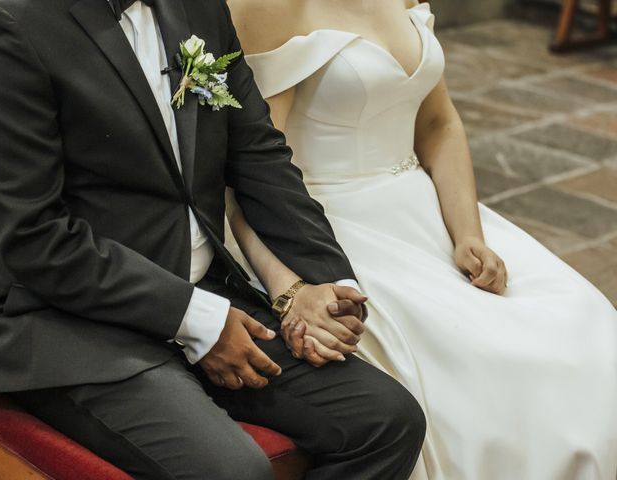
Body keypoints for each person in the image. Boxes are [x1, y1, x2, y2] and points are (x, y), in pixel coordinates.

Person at [0, 0, 427, 479]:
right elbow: (33, 238)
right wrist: (193, 318)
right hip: (75, 324)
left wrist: (325, 285)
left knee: (386, 420)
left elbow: (258, 156)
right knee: (231, 471)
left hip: (206, 291)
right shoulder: (12, 26)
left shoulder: (198, 7)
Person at [224, 0, 617, 478]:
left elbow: (439, 124)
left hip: (420, 208)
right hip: (324, 221)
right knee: (496, 362)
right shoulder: (274, 7)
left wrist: (467, 234)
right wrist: (294, 287)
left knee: (586, 322)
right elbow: (251, 170)